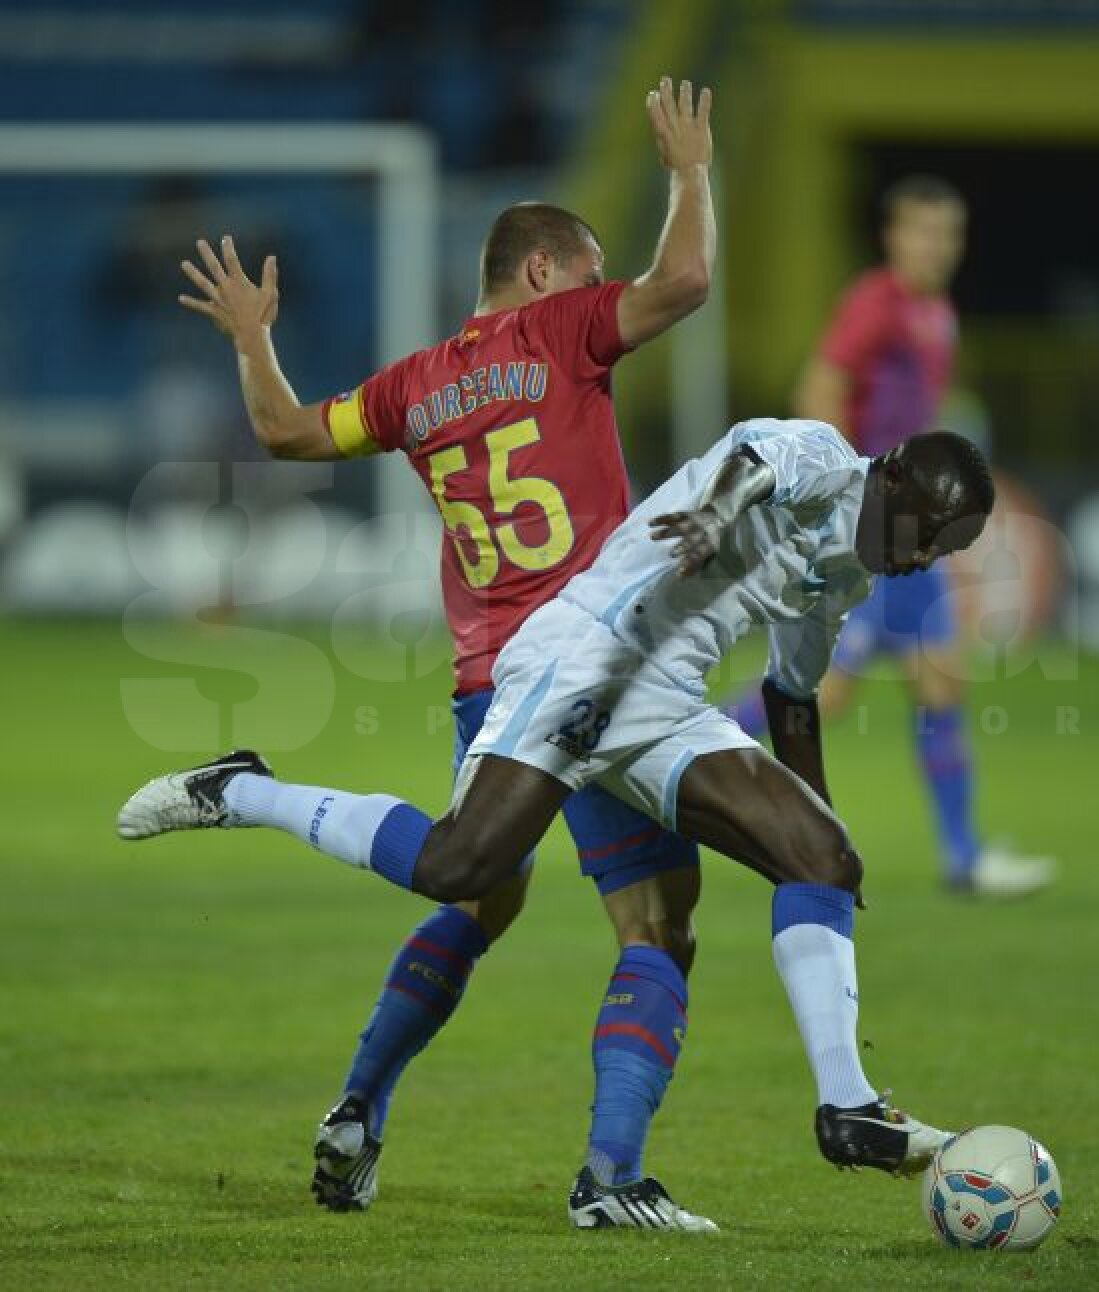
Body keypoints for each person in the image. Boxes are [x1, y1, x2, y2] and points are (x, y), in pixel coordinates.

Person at [120, 417, 996, 1191]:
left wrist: (818, 828)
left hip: (666, 700)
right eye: (924, 532)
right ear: (890, 479)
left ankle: (848, 1106)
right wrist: (715, 515)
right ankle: (241, 788)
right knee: (459, 866)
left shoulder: (845, 577)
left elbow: (792, 700)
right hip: (587, 656)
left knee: (826, 859)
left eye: (940, 550)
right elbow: (754, 458)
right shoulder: (828, 459)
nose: (922, 557)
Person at [163, 77, 719, 1229]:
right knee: (657, 924)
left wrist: (255, 342)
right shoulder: (563, 329)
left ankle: (359, 1105)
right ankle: (610, 1176)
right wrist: (690, 172)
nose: (596, 285)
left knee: (474, 900)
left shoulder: (415, 385)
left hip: (489, 684)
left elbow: (286, 431)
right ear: (543, 272)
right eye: (587, 267)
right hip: (598, 669)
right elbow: (686, 284)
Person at [726, 174, 1054, 898]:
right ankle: (677, 744)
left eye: (950, 233)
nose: (939, 246)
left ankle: (964, 857)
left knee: (940, 682)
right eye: (925, 231)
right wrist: (847, 492)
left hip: (909, 535)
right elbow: (817, 391)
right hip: (865, 530)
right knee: (824, 694)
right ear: (894, 236)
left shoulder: (936, 314)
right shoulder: (874, 305)